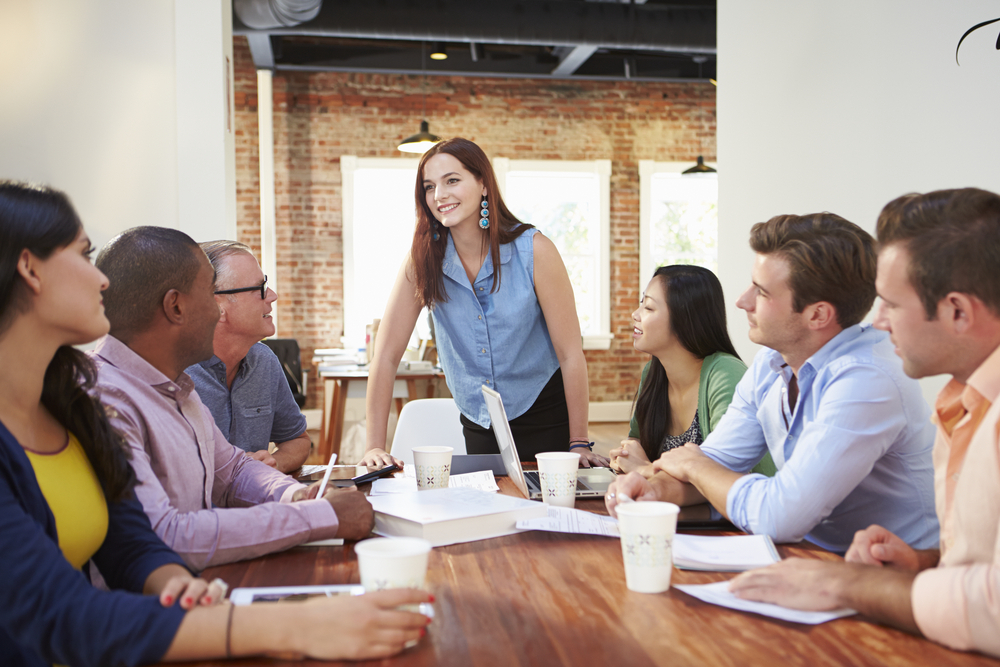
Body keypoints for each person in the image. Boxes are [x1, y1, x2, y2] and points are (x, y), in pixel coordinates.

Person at [0, 181, 431, 666]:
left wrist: (175, 580)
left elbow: (133, 542)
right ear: (29, 268)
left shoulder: (68, 403)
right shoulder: (99, 396)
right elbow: (61, 613)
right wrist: (295, 618)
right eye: (83, 254)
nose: (102, 280)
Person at [729, 188, 1000, 658]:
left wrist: (845, 583)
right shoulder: (965, 403)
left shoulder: (880, 378)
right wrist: (923, 563)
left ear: (957, 311)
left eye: (892, 304)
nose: (878, 322)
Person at [606, 212, 939, 554]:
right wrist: (654, 489)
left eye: (761, 293)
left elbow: (778, 516)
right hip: (806, 555)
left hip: (888, 575)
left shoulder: (867, 379)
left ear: (817, 315)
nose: (742, 301)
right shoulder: (772, 361)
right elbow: (718, 461)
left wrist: (692, 463)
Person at [91, 226, 372, 570]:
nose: (215, 312)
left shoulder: (176, 386)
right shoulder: (104, 398)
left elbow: (234, 469)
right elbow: (164, 536)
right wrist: (317, 517)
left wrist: (294, 494)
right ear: (176, 307)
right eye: (208, 295)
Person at [360, 138, 607, 468]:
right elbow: (386, 355)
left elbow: (570, 352)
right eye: (429, 186)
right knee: (493, 510)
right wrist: (374, 446)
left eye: (452, 181)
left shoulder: (535, 251)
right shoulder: (422, 262)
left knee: (548, 514)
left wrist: (578, 442)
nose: (440, 195)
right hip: (480, 420)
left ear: (483, 184)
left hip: (544, 410)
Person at [609, 265, 775, 477]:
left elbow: (726, 473)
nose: (635, 314)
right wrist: (626, 454)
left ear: (684, 319)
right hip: (676, 506)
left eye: (649, 308)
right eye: (642, 304)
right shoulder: (653, 372)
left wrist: (645, 469)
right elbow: (637, 441)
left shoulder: (725, 373)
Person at [186, 240, 310, 473]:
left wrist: (271, 465)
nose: (272, 296)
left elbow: (298, 440)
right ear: (217, 306)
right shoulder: (174, 375)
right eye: (260, 288)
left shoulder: (264, 361)